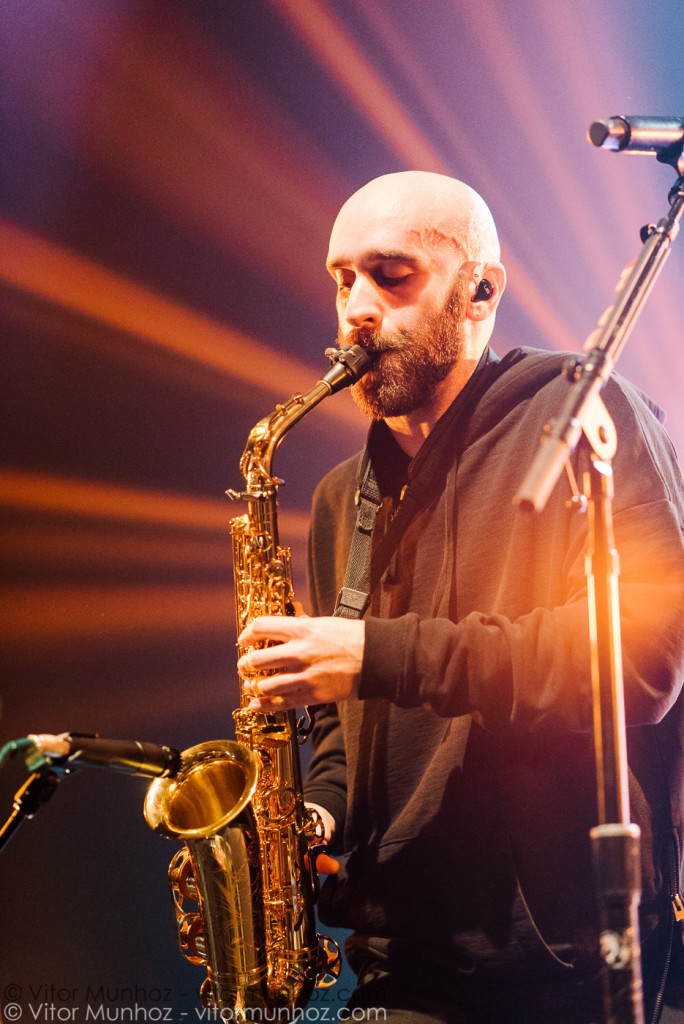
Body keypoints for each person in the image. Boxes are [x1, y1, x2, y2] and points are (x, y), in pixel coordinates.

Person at [237, 171, 684, 1023]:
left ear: (481, 290)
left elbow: (646, 664)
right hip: (397, 963)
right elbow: (342, 726)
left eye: (390, 276)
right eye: (342, 280)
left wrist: (378, 653)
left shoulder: (587, 419)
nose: (356, 308)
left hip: (564, 971)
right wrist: (319, 816)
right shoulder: (341, 497)